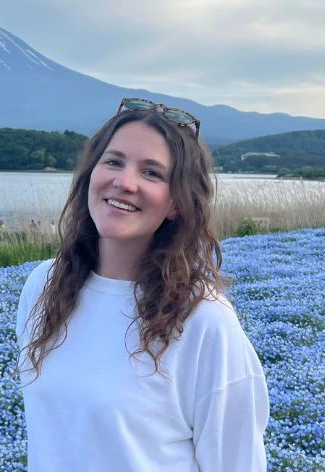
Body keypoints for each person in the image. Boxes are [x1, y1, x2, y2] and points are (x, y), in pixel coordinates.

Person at [16, 98, 269, 471]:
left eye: (151, 173)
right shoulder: (44, 286)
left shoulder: (204, 321)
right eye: (114, 162)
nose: (124, 182)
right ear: (91, 174)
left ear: (176, 204)